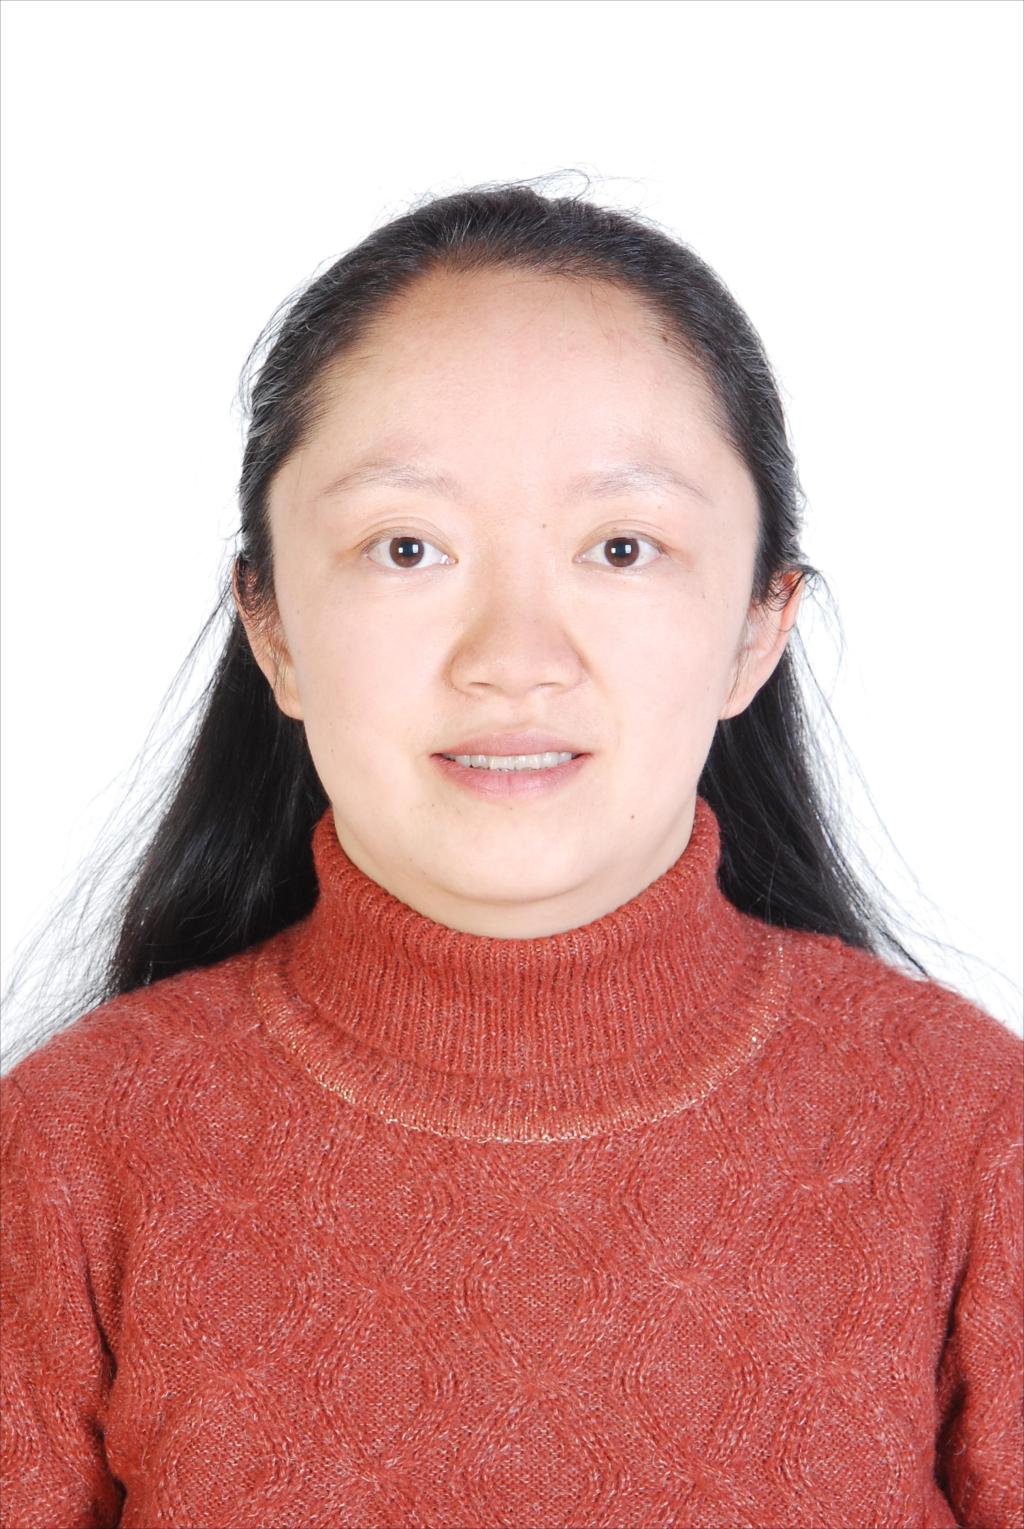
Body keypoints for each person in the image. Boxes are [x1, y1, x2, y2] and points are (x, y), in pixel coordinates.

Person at [2, 180, 1021, 1529]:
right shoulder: (68, 1150)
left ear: (757, 629)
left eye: (622, 547)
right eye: (407, 546)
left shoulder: (972, 1131)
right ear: (274, 629)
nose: (514, 658)